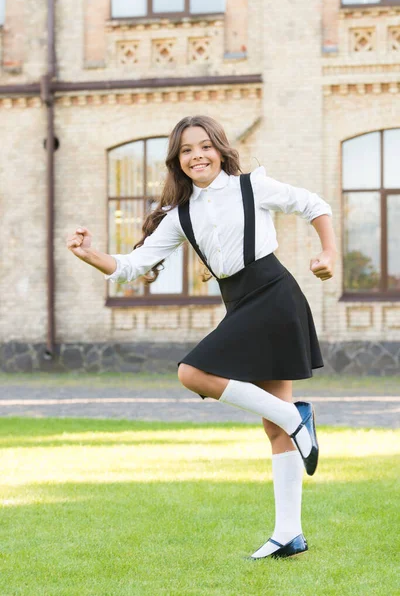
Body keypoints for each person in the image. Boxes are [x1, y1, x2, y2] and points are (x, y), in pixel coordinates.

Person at [66, 115, 337, 560]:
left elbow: (315, 204)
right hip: (240, 301)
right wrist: (89, 253)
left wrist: (327, 252)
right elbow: (135, 265)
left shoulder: (253, 187)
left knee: (193, 372)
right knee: (273, 425)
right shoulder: (181, 215)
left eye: (205, 146)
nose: (197, 155)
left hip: (274, 294)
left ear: (220, 149)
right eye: (187, 150)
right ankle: (289, 534)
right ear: (178, 162)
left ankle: (295, 418)